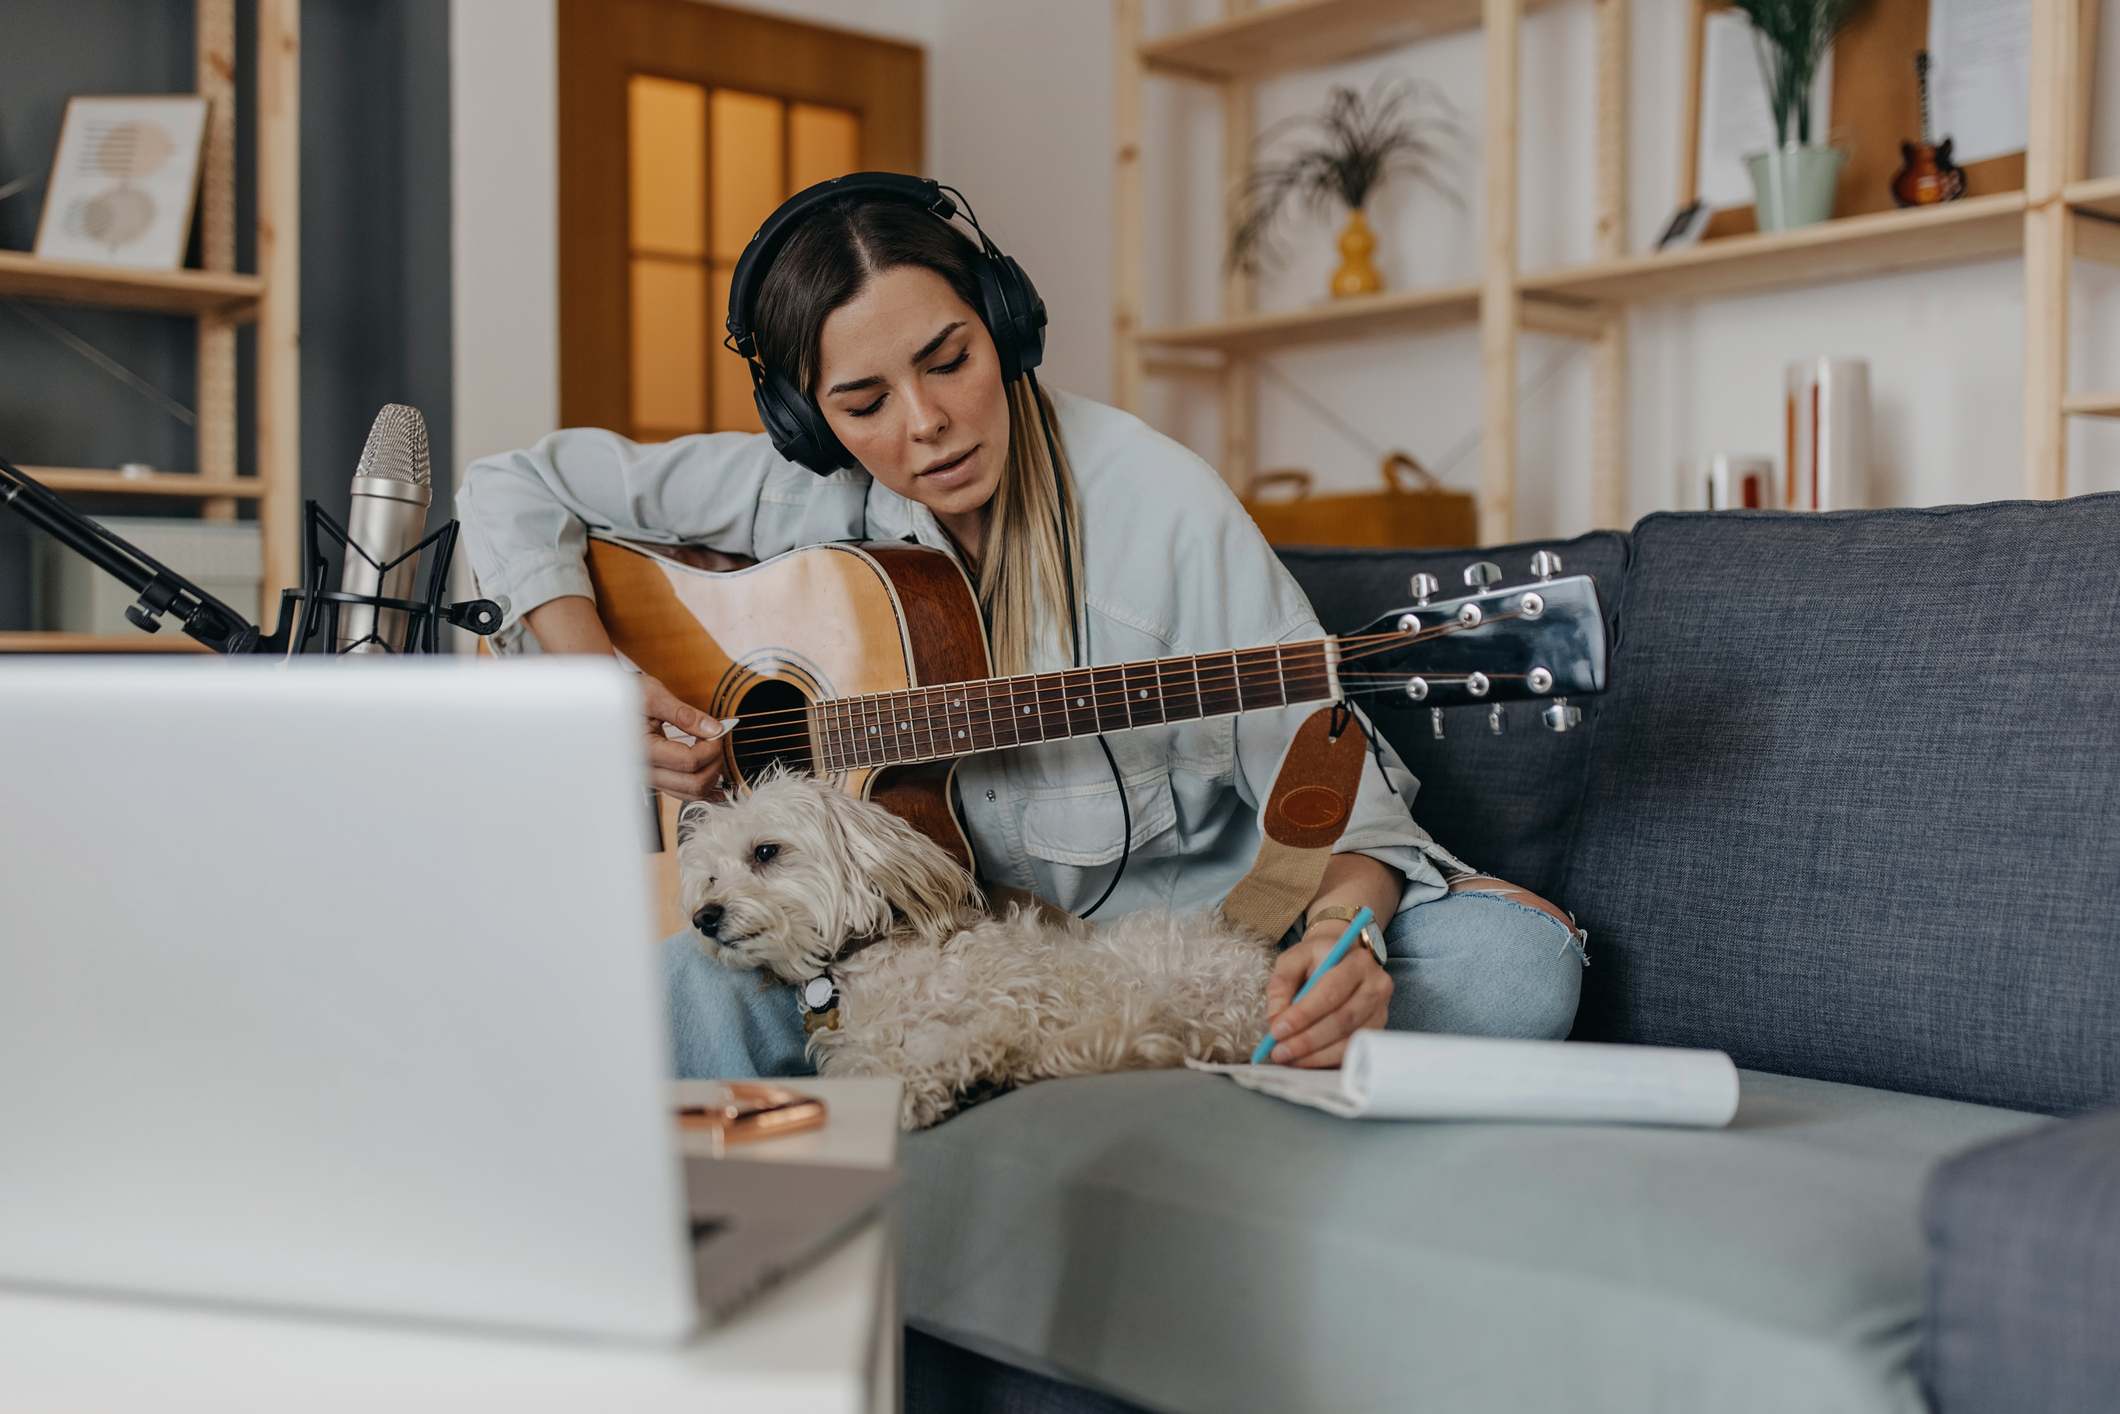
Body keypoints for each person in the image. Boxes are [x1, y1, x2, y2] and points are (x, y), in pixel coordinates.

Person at [457, 173, 1585, 1081]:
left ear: (1003, 324)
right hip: (909, 961)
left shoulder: (1158, 505)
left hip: (1187, 950)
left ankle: (1087, 1057)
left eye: (948, 359)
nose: (927, 423)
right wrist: (599, 678)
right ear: (806, 417)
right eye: (863, 403)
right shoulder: (795, 495)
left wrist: (1348, 939)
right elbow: (510, 485)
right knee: (659, 996)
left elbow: (1334, 774)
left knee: (1513, 968)